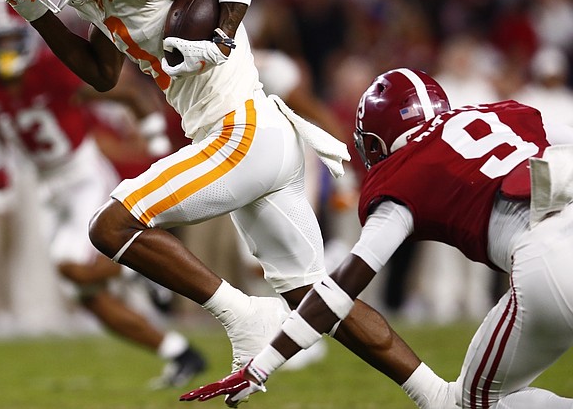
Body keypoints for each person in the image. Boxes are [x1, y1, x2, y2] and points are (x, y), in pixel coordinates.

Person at [1, 0, 421, 379]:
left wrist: (222, 34)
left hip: (239, 133)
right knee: (318, 300)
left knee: (110, 225)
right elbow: (102, 73)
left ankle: (243, 315)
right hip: (253, 135)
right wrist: (42, 19)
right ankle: (437, 393)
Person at [182, 68, 573, 409]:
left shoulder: (404, 173)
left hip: (547, 262)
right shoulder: (504, 114)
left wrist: (263, 366)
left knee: (471, 402)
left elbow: (341, 290)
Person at [0, 0, 205, 388]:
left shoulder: (50, 71)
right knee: (84, 296)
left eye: (11, 41)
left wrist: (158, 146)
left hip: (82, 176)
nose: (6, 51)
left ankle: (142, 270)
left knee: (71, 267)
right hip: (45, 187)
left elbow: (126, 92)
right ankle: (178, 351)